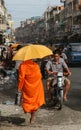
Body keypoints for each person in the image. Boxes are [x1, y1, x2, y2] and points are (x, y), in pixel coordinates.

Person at [17, 59, 45, 124]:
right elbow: (40, 76)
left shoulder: (22, 65)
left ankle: (27, 111)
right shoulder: (36, 65)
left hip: (27, 87)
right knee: (34, 102)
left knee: (27, 101)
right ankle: (32, 117)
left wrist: (19, 87)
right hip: (36, 87)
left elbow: (21, 78)